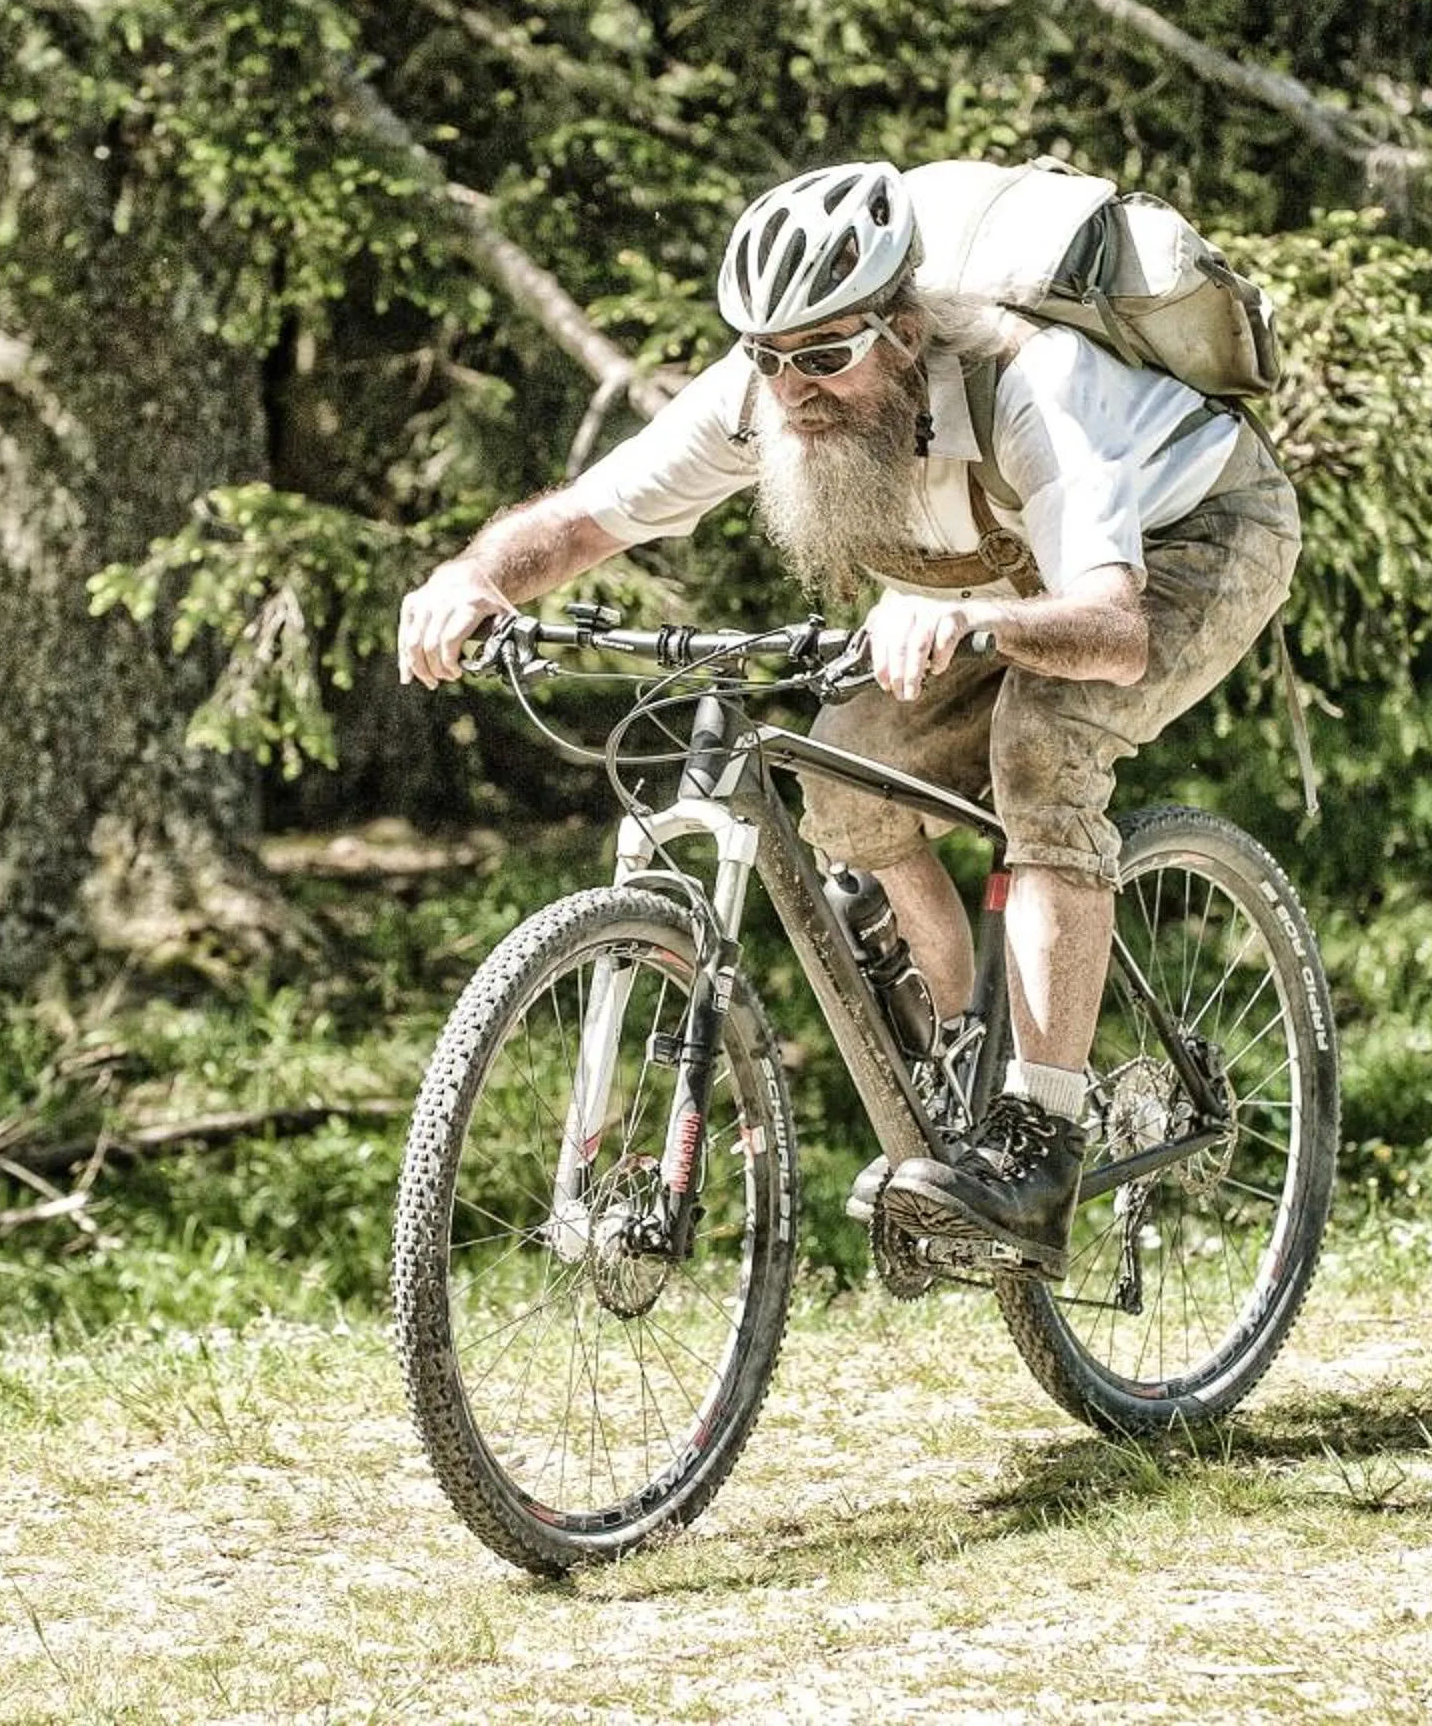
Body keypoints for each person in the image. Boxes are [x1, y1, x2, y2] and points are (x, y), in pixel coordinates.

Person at [396, 161, 1300, 1276]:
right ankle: (965, 1061)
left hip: (1195, 536)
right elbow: (587, 517)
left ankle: (1039, 1144)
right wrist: (475, 579)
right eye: (773, 359)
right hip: (1011, 580)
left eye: (826, 355)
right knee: (841, 775)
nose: (795, 389)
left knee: (1043, 745)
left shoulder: (1035, 386)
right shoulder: (762, 395)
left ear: (907, 332)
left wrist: (974, 614)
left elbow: (1112, 630)